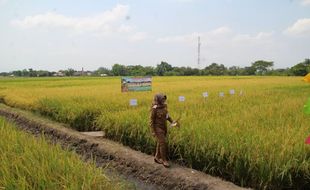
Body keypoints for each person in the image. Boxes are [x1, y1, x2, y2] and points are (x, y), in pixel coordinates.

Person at [150, 93, 174, 168]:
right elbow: (151, 121)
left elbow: (167, 116)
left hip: (164, 128)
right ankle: (164, 160)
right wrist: (153, 131)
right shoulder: (154, 108)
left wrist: (172, 121)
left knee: (160, 142)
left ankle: (157, 157)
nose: (164, 100)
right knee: (163, 143)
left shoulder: (164, 107)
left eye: (164, 99)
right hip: (157, 128)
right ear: (159, 99)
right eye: (162, 99)